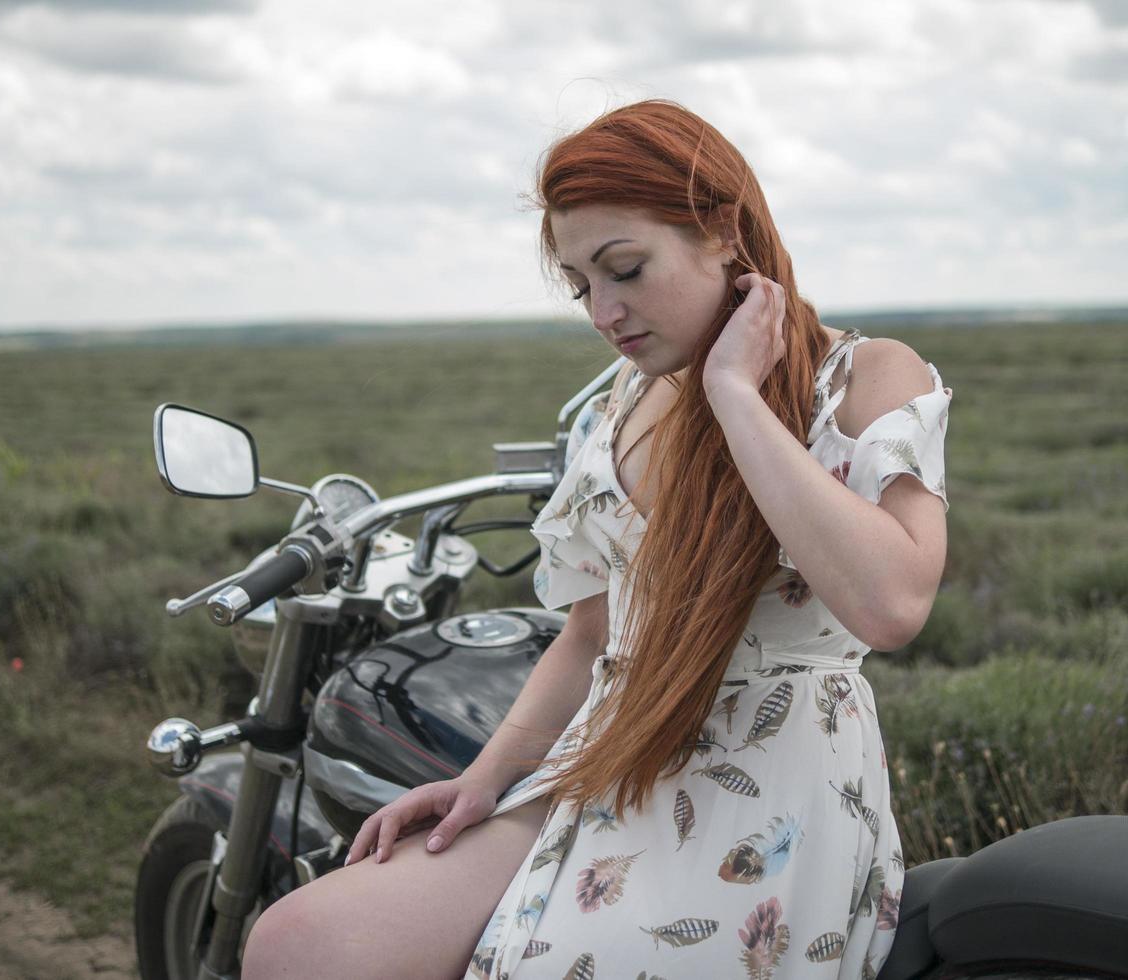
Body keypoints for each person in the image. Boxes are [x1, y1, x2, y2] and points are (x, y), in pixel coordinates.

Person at [241, 98, 952, 980]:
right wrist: (483, 779)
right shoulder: (622, 402)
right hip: (602, 759)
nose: (603, 312)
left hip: (765, 788)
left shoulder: (867, 376)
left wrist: (735, 395)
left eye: (624, 269)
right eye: (582, 285)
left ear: (723, 230)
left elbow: (891, 604)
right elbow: (589, 637)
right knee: (296, 943)